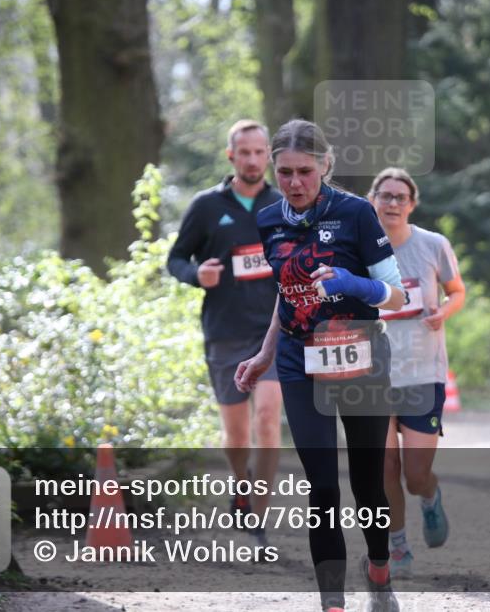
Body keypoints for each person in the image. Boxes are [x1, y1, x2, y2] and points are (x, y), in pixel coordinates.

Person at [235, 120, 406, 612]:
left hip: (362, 357)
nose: (294, 182)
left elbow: (396, 295)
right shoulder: (269, 220)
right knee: (323, 487)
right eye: (284, 171)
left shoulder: (356, 214)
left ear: (325, 166)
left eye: (305, 171)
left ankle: (379, 569)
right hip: (297, 359)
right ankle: (332, 603)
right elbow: (285, 293)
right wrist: (267, 352)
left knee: (368, 483)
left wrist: (353, 283)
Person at [166, 119, 283, 548]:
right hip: (225, 332)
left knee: (268, 419)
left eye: (259, 152)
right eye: (244, 152)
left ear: (268, 155)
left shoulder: (285, 203)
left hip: (275, 330)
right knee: (236, 433)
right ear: (231, 156)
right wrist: (197, 273)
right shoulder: (206, 205)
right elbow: (175, 259)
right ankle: (241, 483)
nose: (253, 160)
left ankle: (260, 515)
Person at [367, 168, 465, 578]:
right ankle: (399, 545)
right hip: (374, 374)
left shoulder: (432, 244)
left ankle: (430, 497)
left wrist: (443, 311)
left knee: (414, 474)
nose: (392, 203)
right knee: (386, 466)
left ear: (412, 203)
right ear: (373, 200)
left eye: (400, 197)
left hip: (424, 371)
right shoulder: (359, 248)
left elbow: (457, 291)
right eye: (385, 195)